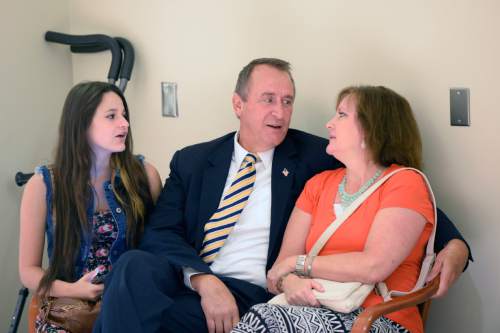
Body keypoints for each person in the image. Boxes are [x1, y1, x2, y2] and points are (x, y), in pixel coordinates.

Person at [94, 59, 471, 333]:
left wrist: (455, 245)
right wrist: (205, 281)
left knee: (137, 317)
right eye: (268, 99)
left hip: (257, 294)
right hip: (195, 284)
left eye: (288, 101)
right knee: (131, 267)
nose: (281, 112)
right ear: (238, 105)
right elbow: (160, 233)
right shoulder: (194, 160)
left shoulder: (315, 156)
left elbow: (395, 194)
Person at [232, 86, 449, 333]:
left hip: (378, 319)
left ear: (371, 128)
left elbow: (373, 266)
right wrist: (290, 282)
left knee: (264, 318)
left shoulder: (406, 183)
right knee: (264, 316)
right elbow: (279, 270)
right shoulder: (318, 184)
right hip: (314, 309)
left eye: (342, 115)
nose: (329, 124)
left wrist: (299, 264)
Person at [18, 81, 162, 332]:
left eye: (124, 116)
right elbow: (28, 271)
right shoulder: (43, 185)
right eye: (111, 116)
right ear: (82, 125)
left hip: (131, 301)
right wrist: (73, 289)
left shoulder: (145, 176)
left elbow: (160, 248)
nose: (124, 124)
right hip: (70, 305)